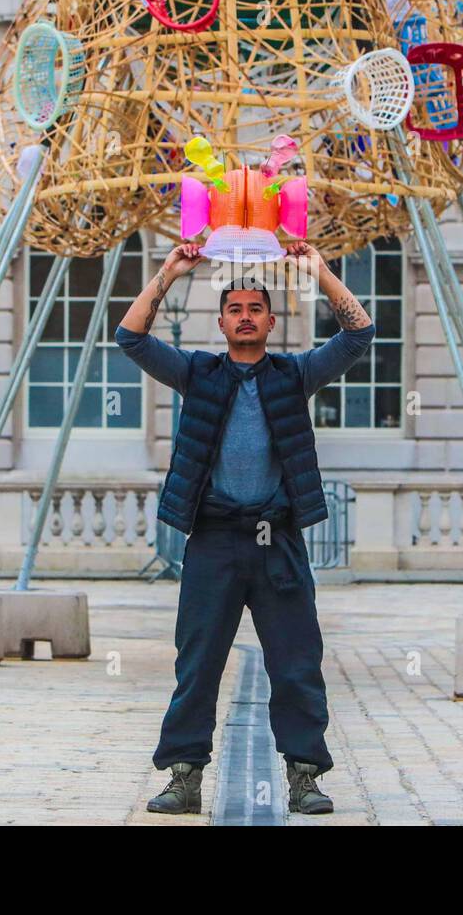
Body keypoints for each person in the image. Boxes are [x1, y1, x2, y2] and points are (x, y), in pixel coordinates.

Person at [115, 240, 375, 816]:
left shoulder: (294, 374)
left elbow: (358, 336)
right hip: (214, 538)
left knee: (297, 662)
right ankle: (184, 777)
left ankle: (304, 775)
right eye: (236, 309)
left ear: (271, 320)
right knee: (198, 661)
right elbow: (129, 337)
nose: (246, 317)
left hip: (277, 539)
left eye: (256, 309)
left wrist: (321, 272)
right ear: (223, 321)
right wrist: (169, 272)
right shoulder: (197, 373)